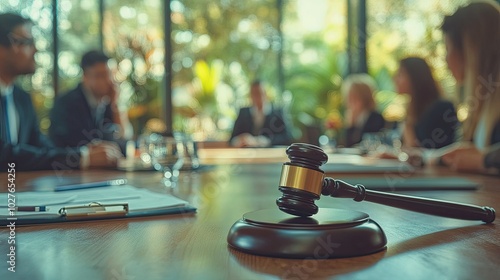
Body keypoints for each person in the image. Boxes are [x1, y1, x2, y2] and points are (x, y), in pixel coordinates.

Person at [0, 13, 122, 171]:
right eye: (26, 42)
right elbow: (4, 155)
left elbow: (42, 148)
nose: (36, 49)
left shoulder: (21, 98)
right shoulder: (70, 103)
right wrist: (82, 157)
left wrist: (82, 154)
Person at [438, 1, 500, 172]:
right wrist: (424, 158)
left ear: (471, 50)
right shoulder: (486, 105)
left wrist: (484, 160)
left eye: (447, 48)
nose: (446, 59)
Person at [49, 50, 132, 154]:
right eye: (101, 75)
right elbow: (74, 145)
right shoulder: (67, 104)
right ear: (85, 77)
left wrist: (116, 105)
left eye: (111, 74)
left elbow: (125, 139)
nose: (109, 81)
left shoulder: (108, 103)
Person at [394, 57, 458, 149]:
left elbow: (434, 151)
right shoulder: (412, 110)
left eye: (400, 74)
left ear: (415, 77)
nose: (395, 79)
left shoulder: (441, 108)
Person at [230, 80, 291, 147]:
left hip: (271, 154)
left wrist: (266, 141)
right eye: (254, 93)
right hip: (247, 155)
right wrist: (239, 140)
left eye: (259, 93)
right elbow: (232, 140)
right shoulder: (243, 113)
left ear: (265, 94)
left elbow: (287, 137)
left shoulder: (277, 112)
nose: (257, 97)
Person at [342, 74, 385, 147]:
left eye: (354, 97)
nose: (349, 101)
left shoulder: (376, 118)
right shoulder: (354, 117)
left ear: (364, 97)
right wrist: (351, 125)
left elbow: (370, 143)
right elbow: (348, 145)